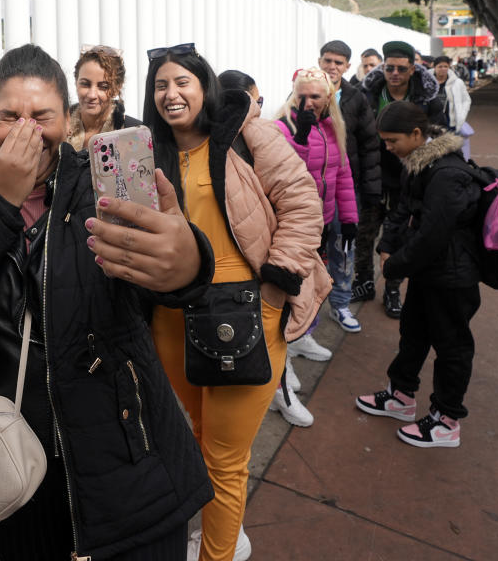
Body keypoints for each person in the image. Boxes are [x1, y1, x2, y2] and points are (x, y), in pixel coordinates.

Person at [0, 44, 215, 561]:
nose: (26, 131)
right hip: (11, 476)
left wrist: (187, 263)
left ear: (66, 121)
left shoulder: (99, 187)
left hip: (123, 471)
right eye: (9, 117)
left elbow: (167, 273)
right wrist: (0, 202)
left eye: (41, 116)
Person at [144, 43, 329, 561]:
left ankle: (218, 551)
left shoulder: (248, 135)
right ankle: (219, 527)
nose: (171, 93)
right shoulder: (147, 150)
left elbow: (302, 203)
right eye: (160, 85)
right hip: (172, 317)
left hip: (244, 317)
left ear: (204, 86)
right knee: (197, 437)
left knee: (225, 457)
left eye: (182, 81)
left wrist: (275, 288)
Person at [356, 101, 481, 448]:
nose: (387, 147)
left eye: (392, 140)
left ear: (416, 134)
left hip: (453, 276)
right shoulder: (418, 162)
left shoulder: (447, 172)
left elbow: (433, 234)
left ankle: (446, 421)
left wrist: (394, 266)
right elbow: (404, 210)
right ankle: (401, 396)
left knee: (451, 347)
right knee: (413, 333)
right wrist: (388, 245)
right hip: (429, 272)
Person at [269, 67, 357, 428]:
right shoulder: (283, 127)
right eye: (302, 95)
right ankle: (283, 361)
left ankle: (303, 336)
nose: (308, 102)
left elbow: (343, 172)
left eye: (316, 96)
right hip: (292, 227)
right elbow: (283, 170)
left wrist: (348, 217)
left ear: (328, 98)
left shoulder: (334, 127)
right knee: (287, 294)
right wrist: (301, 136)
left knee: (312, 287)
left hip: (323, 222)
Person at [362, 40, 446, 318]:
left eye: (401, 68)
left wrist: (422, 175)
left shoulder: (429, 100)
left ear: (412, 70)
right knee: (365, 235)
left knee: (398, 237)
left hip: (409, 180)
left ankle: (392, 290)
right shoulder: (369, 94)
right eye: (389, 68)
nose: (394, 73)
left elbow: (438, 138)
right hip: (373, 177)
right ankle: (362, 283)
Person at [317, 40, 381, 315]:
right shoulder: (302, 91)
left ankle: (341, 304)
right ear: (320, 61)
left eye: (338, 63)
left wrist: (370, 191)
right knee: (310, 250)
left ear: (347, 67)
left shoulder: (357, 98)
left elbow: (369, 146)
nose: (332, 66)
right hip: (311, 189)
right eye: (328, 60)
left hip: (346, 189)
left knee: (344, 247)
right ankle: (307, 313)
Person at [67, 44, 142, 150]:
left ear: (117, 88)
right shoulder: (60, 129)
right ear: (76, 82)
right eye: (85, 84)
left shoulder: (134, 133)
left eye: (103, 87)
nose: (92, 95)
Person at [432, 55, 473, 158]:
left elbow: (466, 100)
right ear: (434, 67)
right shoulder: (428, 82)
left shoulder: (457, 82)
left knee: (450, 151)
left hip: (450, 123)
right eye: (440, 66)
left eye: (446, 66)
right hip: (431, 122)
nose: (443, 69)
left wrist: (462, 115)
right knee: (433, 151)